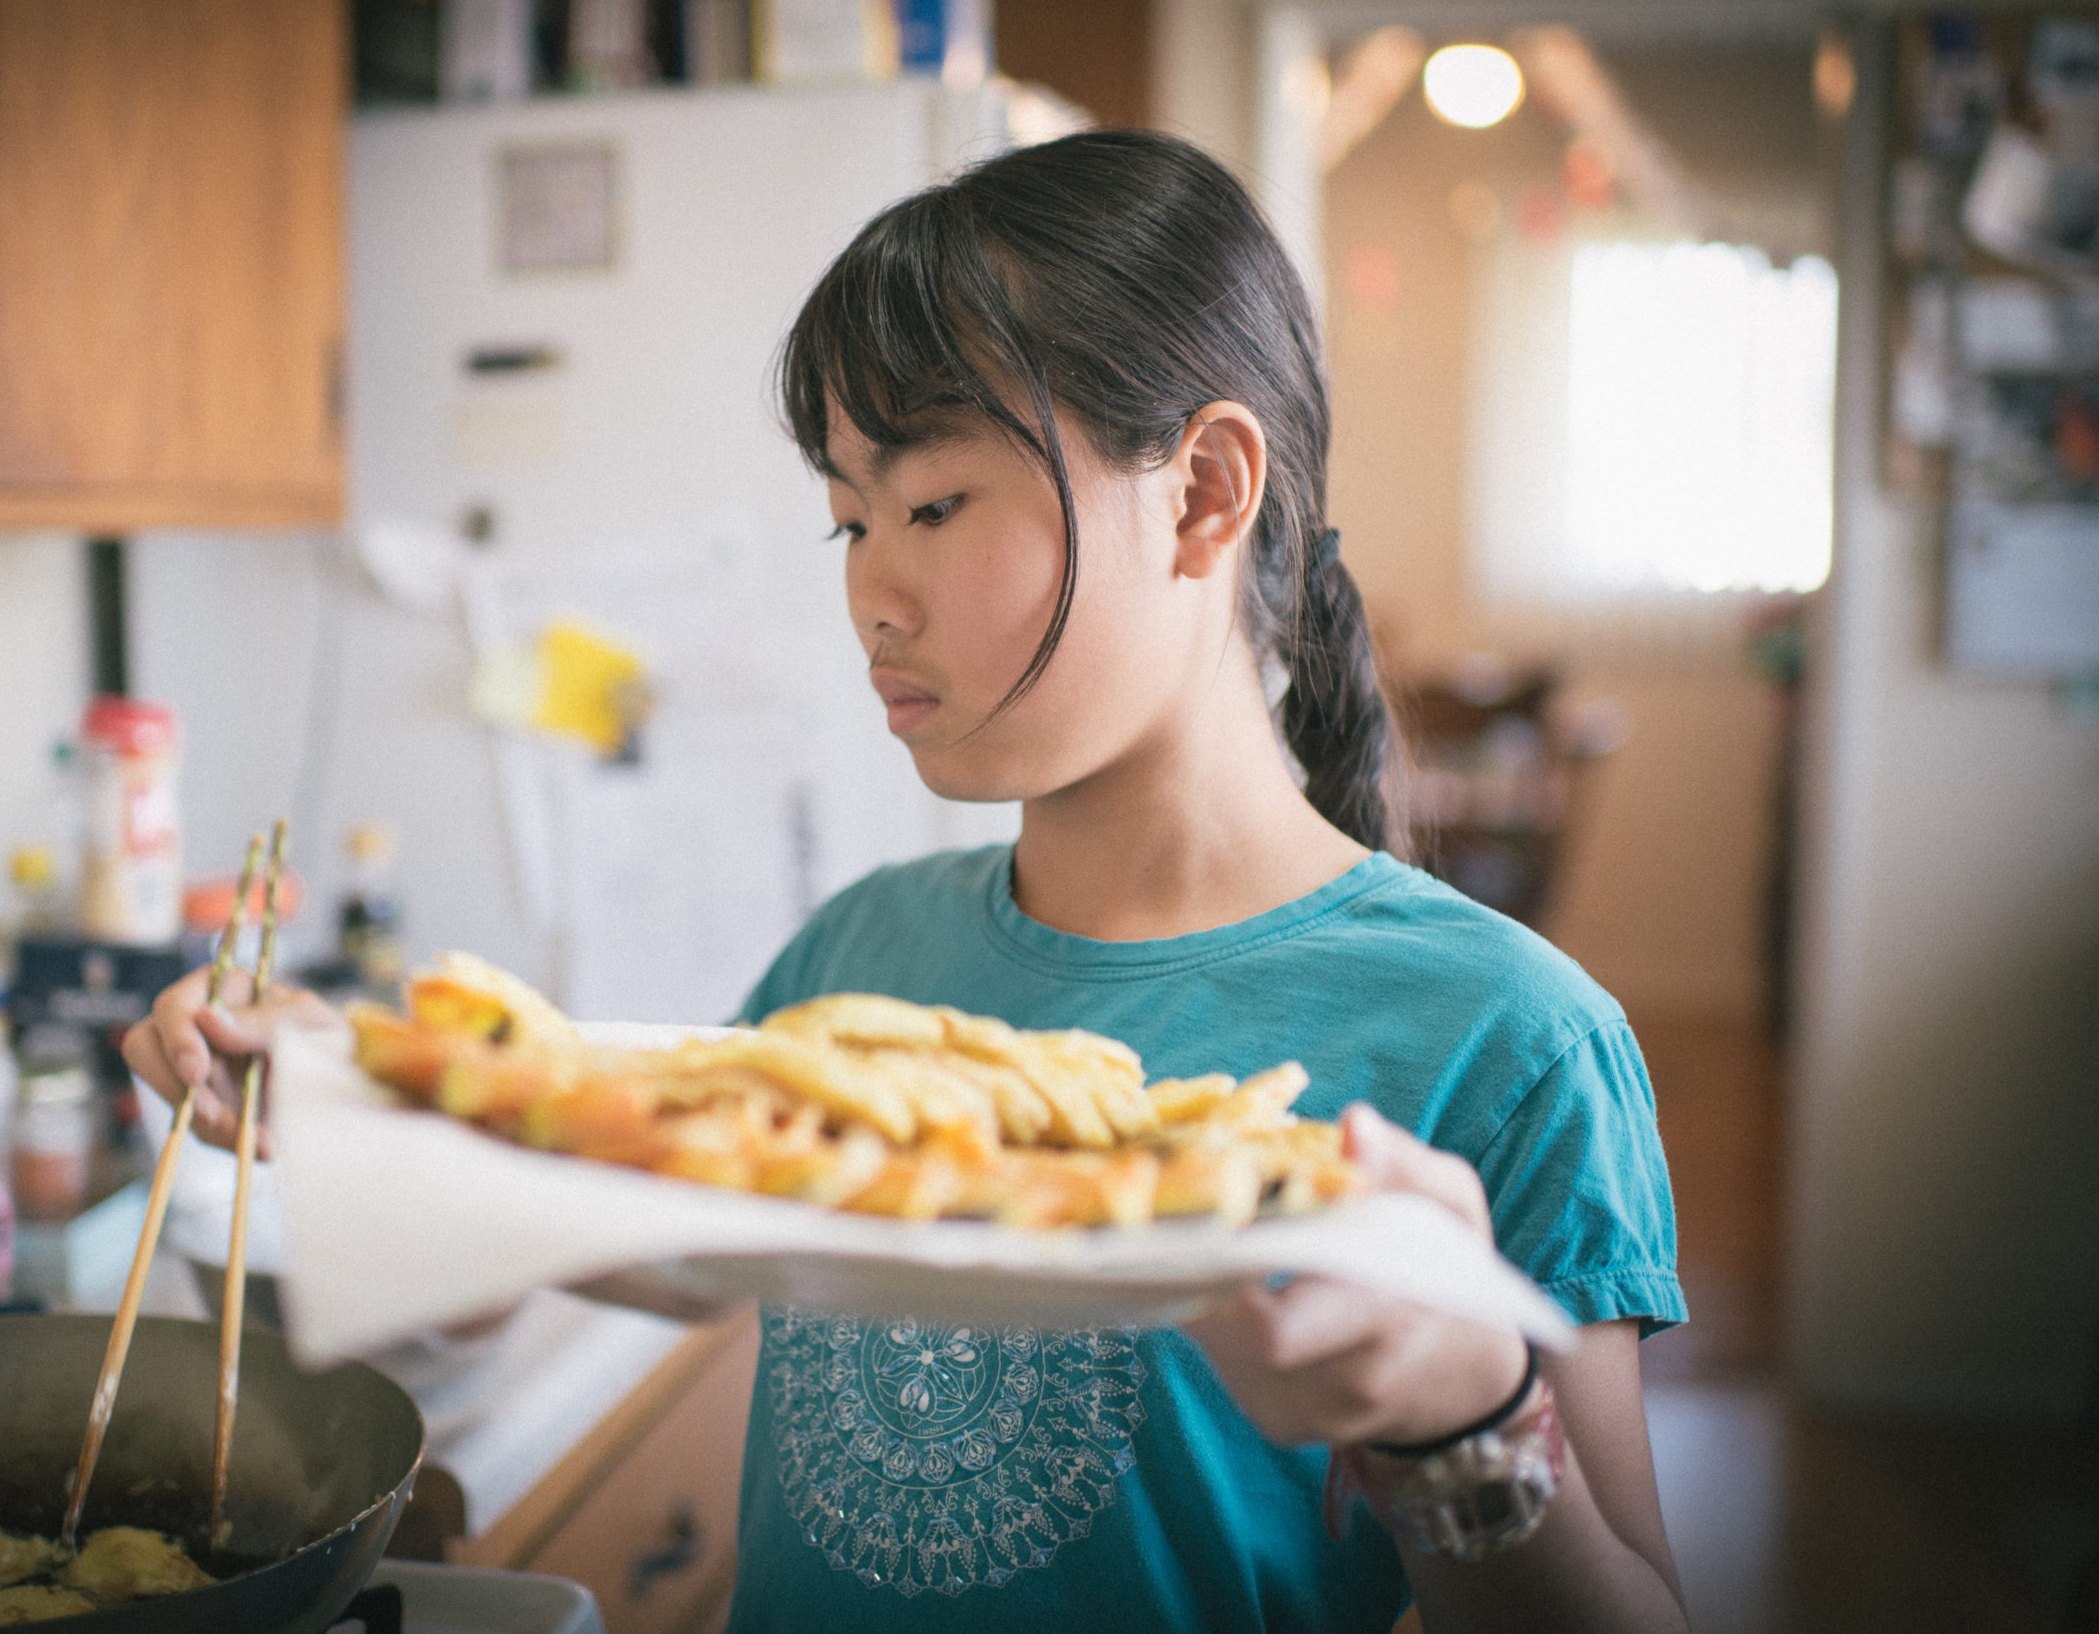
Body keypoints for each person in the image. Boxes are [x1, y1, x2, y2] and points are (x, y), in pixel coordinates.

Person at [128, 130, 1688, 1633]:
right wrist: (352, 1103)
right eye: (850, 520)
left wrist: (1469, 1422)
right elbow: (650, 1239)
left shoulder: (1507, 1038)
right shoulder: (859, 958)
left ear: (1206, 494)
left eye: (934, 504)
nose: (872, 591)